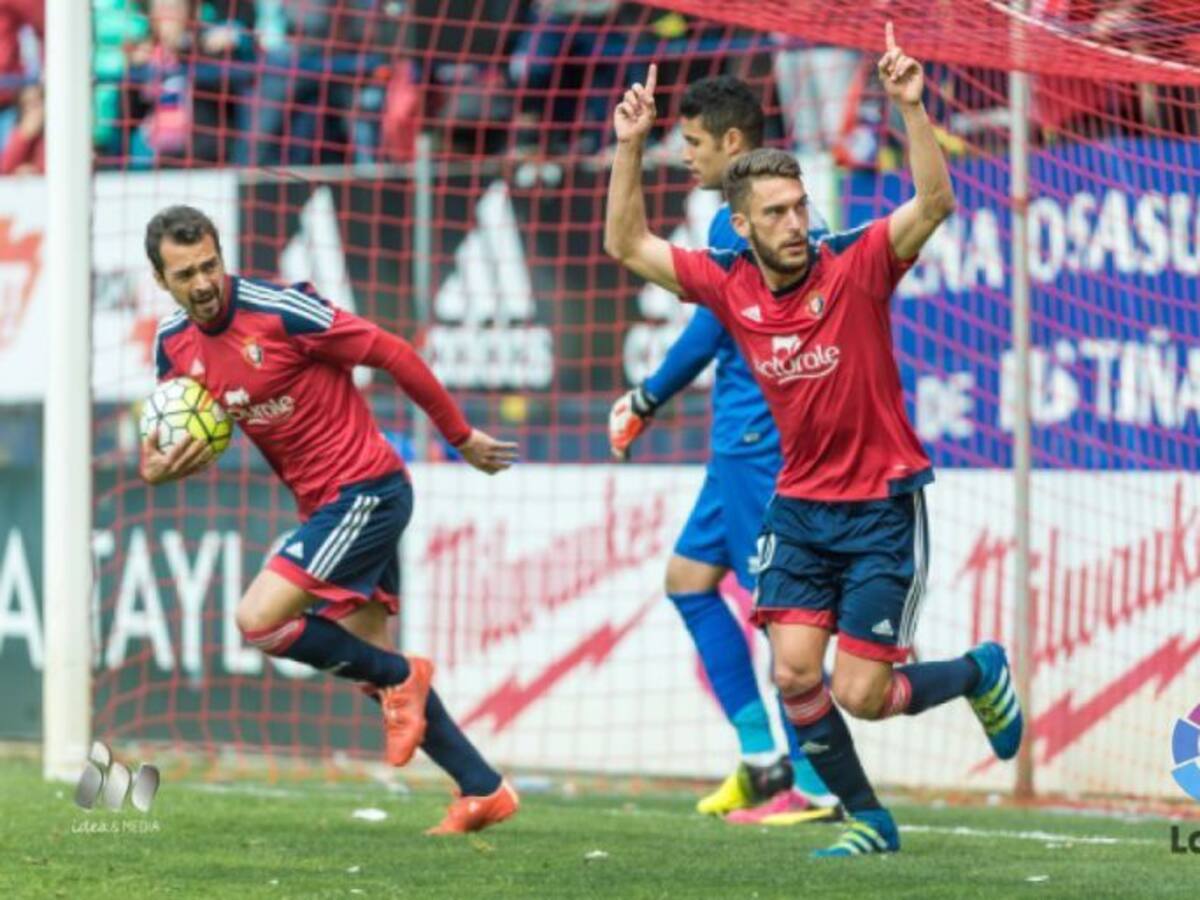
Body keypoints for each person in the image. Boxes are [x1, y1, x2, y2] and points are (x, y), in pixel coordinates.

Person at [603, 26, 1023, 857]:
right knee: (797, 675)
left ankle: (979, 672)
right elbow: (626, 244)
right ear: (742, 227)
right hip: (800, 509)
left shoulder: (857, 265)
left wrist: (911, 109)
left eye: (800, 208)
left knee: (861, 694)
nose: (798, 225)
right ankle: (870, 821)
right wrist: (629, 147)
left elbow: (934, 204)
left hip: (879, 507)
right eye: (777, 214)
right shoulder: (728, 288)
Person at [140, 205, 520, 835]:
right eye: (185, 274)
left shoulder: (283, 310)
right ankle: (482, 787)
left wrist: (461, 436)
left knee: (259, 621)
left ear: (222, 255)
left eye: (210, 265)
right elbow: (172, 435)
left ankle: (407, 676)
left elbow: (394, 352)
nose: (203, 282)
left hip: (368, 489)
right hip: (325, 506)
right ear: (162, 280)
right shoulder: (173, 346)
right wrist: (156, 468)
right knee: (371, 663)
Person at [607, 75, 837, 825]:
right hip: (744, 442)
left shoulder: (741, 223)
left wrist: (644, 399)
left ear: (733, 144)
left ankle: (815, 780)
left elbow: (708, 329)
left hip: (759, 445)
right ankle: (763, 758)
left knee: (780, 615)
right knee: (687, 579)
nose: (685, 157)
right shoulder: (786, 207)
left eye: (695, 143)